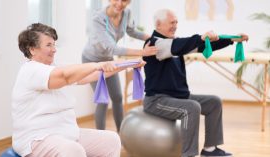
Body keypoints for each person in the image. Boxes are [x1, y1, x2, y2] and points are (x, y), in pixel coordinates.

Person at [13, 23, 146, 157]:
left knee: (111, 140)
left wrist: (129, 64)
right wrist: (96, 65)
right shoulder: (30, 70)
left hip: (65, 133)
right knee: (74, 151)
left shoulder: (54, 67)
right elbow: (65, 76)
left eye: (54, 44)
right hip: (37, 138)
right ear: (32, 50)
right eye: (48, 45)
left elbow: (92, 74)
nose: (54, 49)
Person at [142, 9, 248, 157]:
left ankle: (210, 149)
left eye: (177, 22)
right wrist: (200, 36)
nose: (175, 25)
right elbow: (181, 45)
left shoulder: (173, 43)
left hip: (178, 97)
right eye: (172, 22)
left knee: (214, 102)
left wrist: (231, 40)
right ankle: (189, 154)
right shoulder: (154, 44)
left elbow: (202, 46)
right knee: (191, 107)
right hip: (157, 100)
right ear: (158, 24)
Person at [82, 0, 158, 132]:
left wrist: (154, 38)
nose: (119, 3)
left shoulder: (126, 13)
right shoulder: (98, 19)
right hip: (91, 61)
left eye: (124, 0)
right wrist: (142, 52)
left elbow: (132, 31)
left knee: (117, 97)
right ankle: (101, 137)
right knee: (102, 100)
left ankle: (121, 134)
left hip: (108, 60)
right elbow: (113, 48)